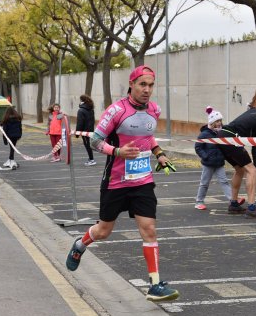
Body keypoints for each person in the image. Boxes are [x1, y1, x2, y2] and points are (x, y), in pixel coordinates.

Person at [65, 65, 179, 302]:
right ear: (132, 84)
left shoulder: (154, 110)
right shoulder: (117, 110)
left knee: (149, 229)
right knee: (103, 231)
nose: (147, 90)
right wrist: (117, 151)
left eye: (151, 85)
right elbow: (96, 140)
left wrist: (159, 153)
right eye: (142, 85)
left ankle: (155, 284)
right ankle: (80, 244)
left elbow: (147, 137)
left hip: (143, 180)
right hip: (116, 182)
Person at [194, 107, 244, 210]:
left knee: (224, 181)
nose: (219, 123)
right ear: (212, 122)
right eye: (217, 121)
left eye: (220, 120)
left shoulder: (221, 133)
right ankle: (199, 202)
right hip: (208, 163)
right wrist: (205, 156)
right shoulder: (204, 134)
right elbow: (198, 147)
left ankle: (232, 199)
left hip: (219, 163)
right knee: (204, 183)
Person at [75, 94, 97, 166]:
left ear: (82, 101)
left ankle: (91, 160)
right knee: (88, 144)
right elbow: (92, 121)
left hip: (84, 131)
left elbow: (80, 122)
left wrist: (77, 133)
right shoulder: (91, 109)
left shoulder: (81, 110)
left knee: (87, 145)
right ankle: (91, 159)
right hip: (90, 130)